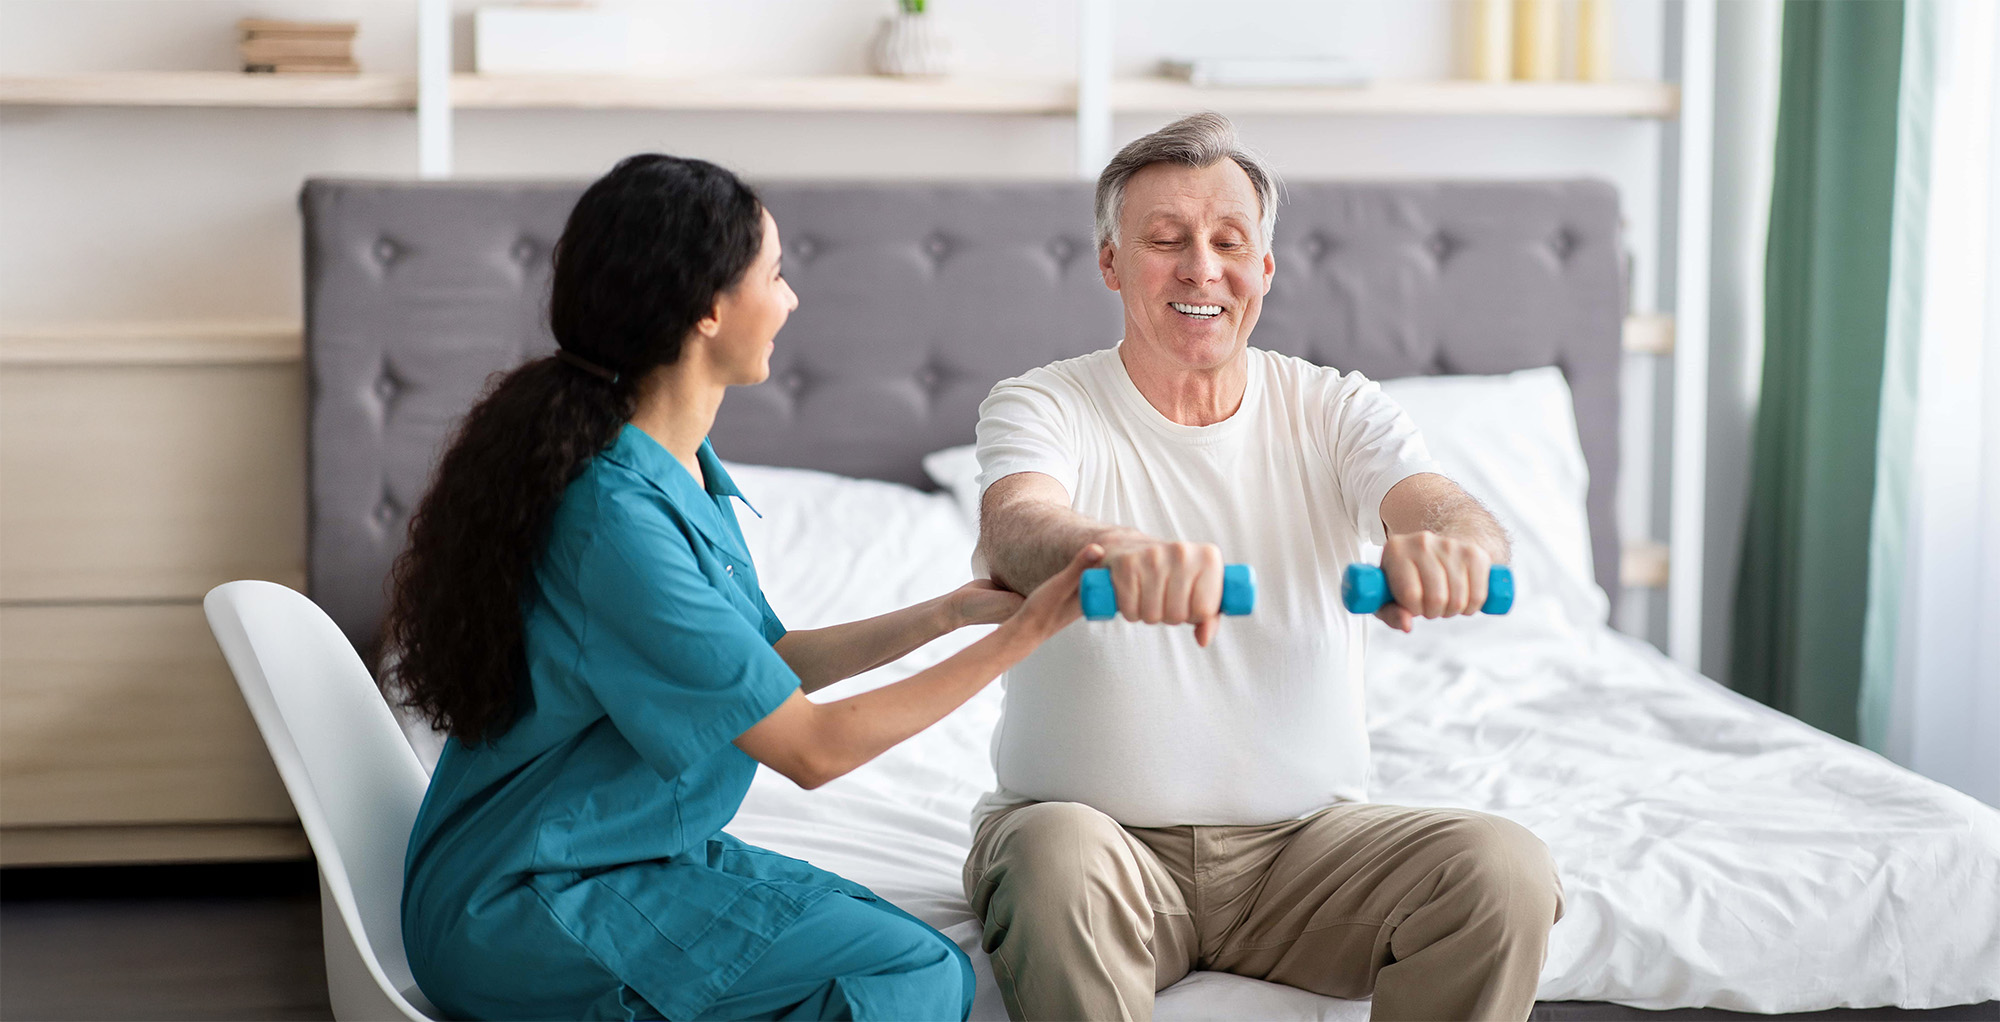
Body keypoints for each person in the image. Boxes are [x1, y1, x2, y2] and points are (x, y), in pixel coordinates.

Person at [385, 153, 1100, 1022]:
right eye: (777, 273)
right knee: (913, 978)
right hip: (525, 904)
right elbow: (811, 750)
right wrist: (1020, 639)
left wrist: (949, 613)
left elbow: (766, 663)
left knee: (918, 949)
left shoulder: (677, 470)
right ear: (709, 309)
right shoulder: (613, 518)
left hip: (634, 855)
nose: (792, 300)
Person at [964, 113, 1565, 1022]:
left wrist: (1454, 550)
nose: (1201, 268)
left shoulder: (1333, 408)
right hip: (1099, 847)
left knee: (1502, 868)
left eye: (1228, 242)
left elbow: (1440, 506)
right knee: (1053, 853)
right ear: (1110, 262)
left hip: (1306, 856)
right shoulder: (1044, 402)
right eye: (1165, 240)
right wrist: (1115, 553)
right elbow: (1017, 523)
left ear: (1265, 269)